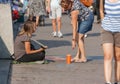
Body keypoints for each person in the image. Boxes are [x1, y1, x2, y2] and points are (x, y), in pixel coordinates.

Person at [100, 0, 120, 84]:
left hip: (119, 30)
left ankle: (117, 80)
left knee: (118, 57)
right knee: (107, 55)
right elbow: (101, 10)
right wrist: (103, 20)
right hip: (107, 29)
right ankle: (108, 82)